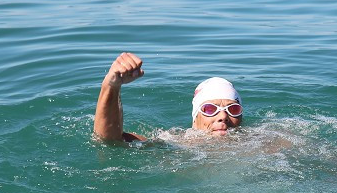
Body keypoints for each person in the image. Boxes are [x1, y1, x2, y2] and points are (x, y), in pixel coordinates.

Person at [94, 52, 244, 142]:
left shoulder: (260, 142)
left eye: (233, 109)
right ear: (195, 119)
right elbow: (110, 140)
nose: (223, 116)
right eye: (210, 109)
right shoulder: (176, 144)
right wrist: (111, 86)